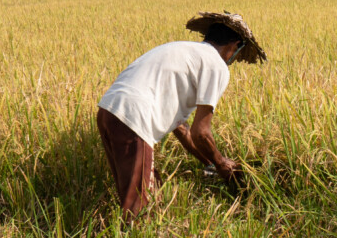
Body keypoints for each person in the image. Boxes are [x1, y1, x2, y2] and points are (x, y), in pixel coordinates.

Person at [96, 11, 266, 219]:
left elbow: (182, 130)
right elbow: (200, 132)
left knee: (148, 192)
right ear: (235, 45)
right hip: (134, 118)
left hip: (108, 111)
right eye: (238, 51)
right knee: (139, 207)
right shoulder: (216, 65)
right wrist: (222, 164)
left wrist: (209, 164)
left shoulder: (183, 51)